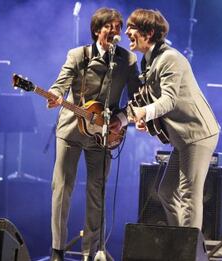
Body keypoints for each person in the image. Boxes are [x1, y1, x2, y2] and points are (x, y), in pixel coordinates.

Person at [47, 7, 141, 261]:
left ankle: (93, 251)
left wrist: (121, 120)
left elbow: (137, 99)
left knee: (97, 191)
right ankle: (58, 250)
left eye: (118, 28)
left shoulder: (127, 60)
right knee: (62, 188)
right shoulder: (79, 55)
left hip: (103, 135)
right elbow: (62, 82)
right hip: (71, 130)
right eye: (108, 27)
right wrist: (56, 94)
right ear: (97, 30)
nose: (114, 32)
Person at [126, 9, 220, 230]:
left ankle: (189, 249)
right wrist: (140, 117)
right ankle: (179, 241)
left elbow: (168, 100)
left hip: (197, 134)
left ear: (148, 33)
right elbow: (153, 100)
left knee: (189, 197)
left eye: (132, 28)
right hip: (183, 138)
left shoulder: (170, 58)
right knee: (167, 192)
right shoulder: (149, 61)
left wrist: (145, 112)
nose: (127, 32)